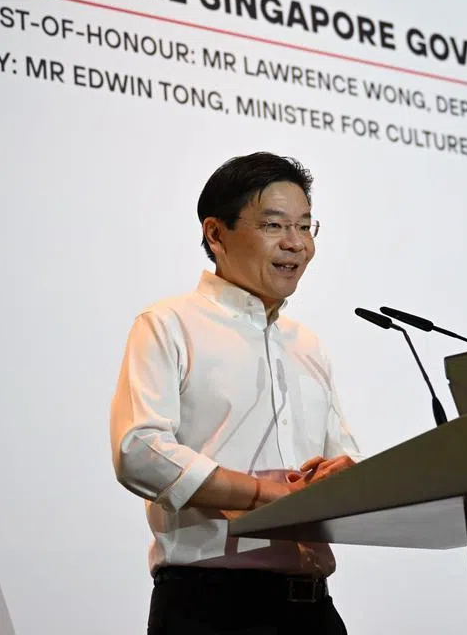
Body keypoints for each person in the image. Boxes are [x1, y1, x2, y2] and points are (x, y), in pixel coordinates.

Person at [110, 152, 361, 635]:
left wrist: (348, 476)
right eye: (274, 225)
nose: (296, 244)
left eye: (306, 227)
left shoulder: (307, 344)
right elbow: (138, 451)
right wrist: (265, 496)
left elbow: (341, 455)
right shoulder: (169, 324)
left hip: (313, 610)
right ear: (216, 233)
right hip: (210, 605)